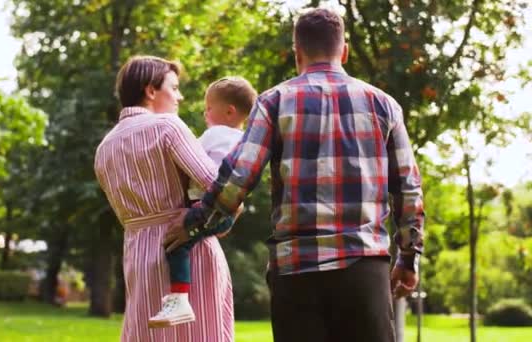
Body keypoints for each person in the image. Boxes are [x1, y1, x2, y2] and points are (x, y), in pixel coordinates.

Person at [165, 8, 425, 342]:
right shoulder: (383, 104)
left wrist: (195, 221)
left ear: (296, 52)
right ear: (343, 51)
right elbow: (408, 187)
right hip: (364, 271)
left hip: (296, 273)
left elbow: (239, 177)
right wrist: (408, 256)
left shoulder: (274, 102)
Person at [94, 55, 234, 342]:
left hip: (137, 255)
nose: (179, 96)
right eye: (174, 87)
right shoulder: (168, 126)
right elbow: (219, 186)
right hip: (185, 249)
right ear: (150, 90)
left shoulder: (104, 148)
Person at [149, 76, 257, 328]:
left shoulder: (214, 134)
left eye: (209, 108)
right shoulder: (244, 141)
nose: (204, 112)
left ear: (229, 111)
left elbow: (189, 158)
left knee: (176, 244)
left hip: (204, 210)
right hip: (226, 212)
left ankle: (179, 298)